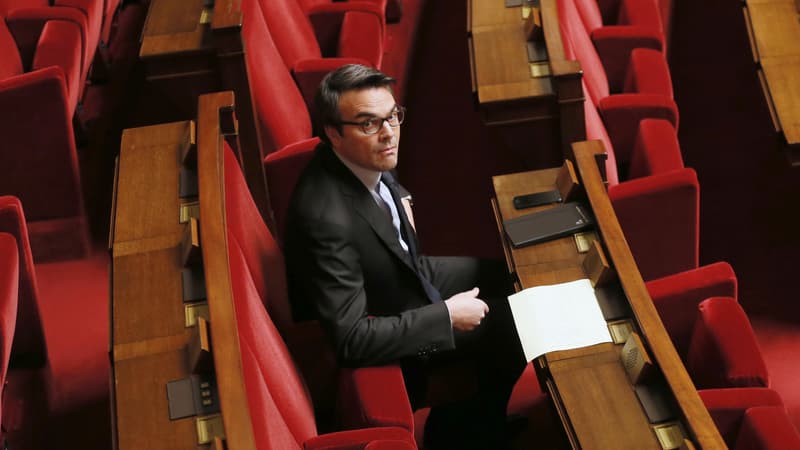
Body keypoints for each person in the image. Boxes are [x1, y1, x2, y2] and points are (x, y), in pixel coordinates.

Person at [284, 64, 527, 449]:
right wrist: (446, 316)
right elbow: (351, 339)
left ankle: (490, 411)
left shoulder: (366, 157)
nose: (388, 134)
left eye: (393, 116)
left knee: (508, 274)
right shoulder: (324, 218)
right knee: (514, 326)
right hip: (392, 318)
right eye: (368, 124)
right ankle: (464, 429)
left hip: (404, 275)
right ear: (333, 132)